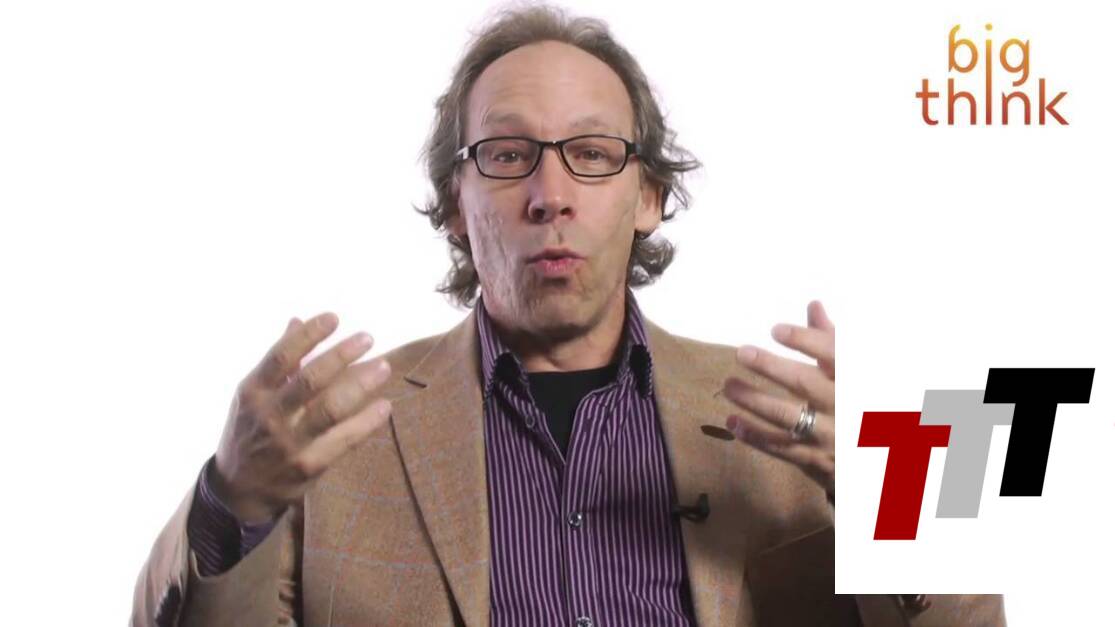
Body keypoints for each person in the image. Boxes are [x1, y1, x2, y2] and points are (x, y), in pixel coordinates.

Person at [131, 5, 1006, 626]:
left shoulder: (797, 422)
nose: (550, 194)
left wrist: (900, 497)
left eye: (590, 154)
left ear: (648, 196)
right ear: (455, 203)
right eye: (508, 155)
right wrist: (228, 497)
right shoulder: (330, 436)